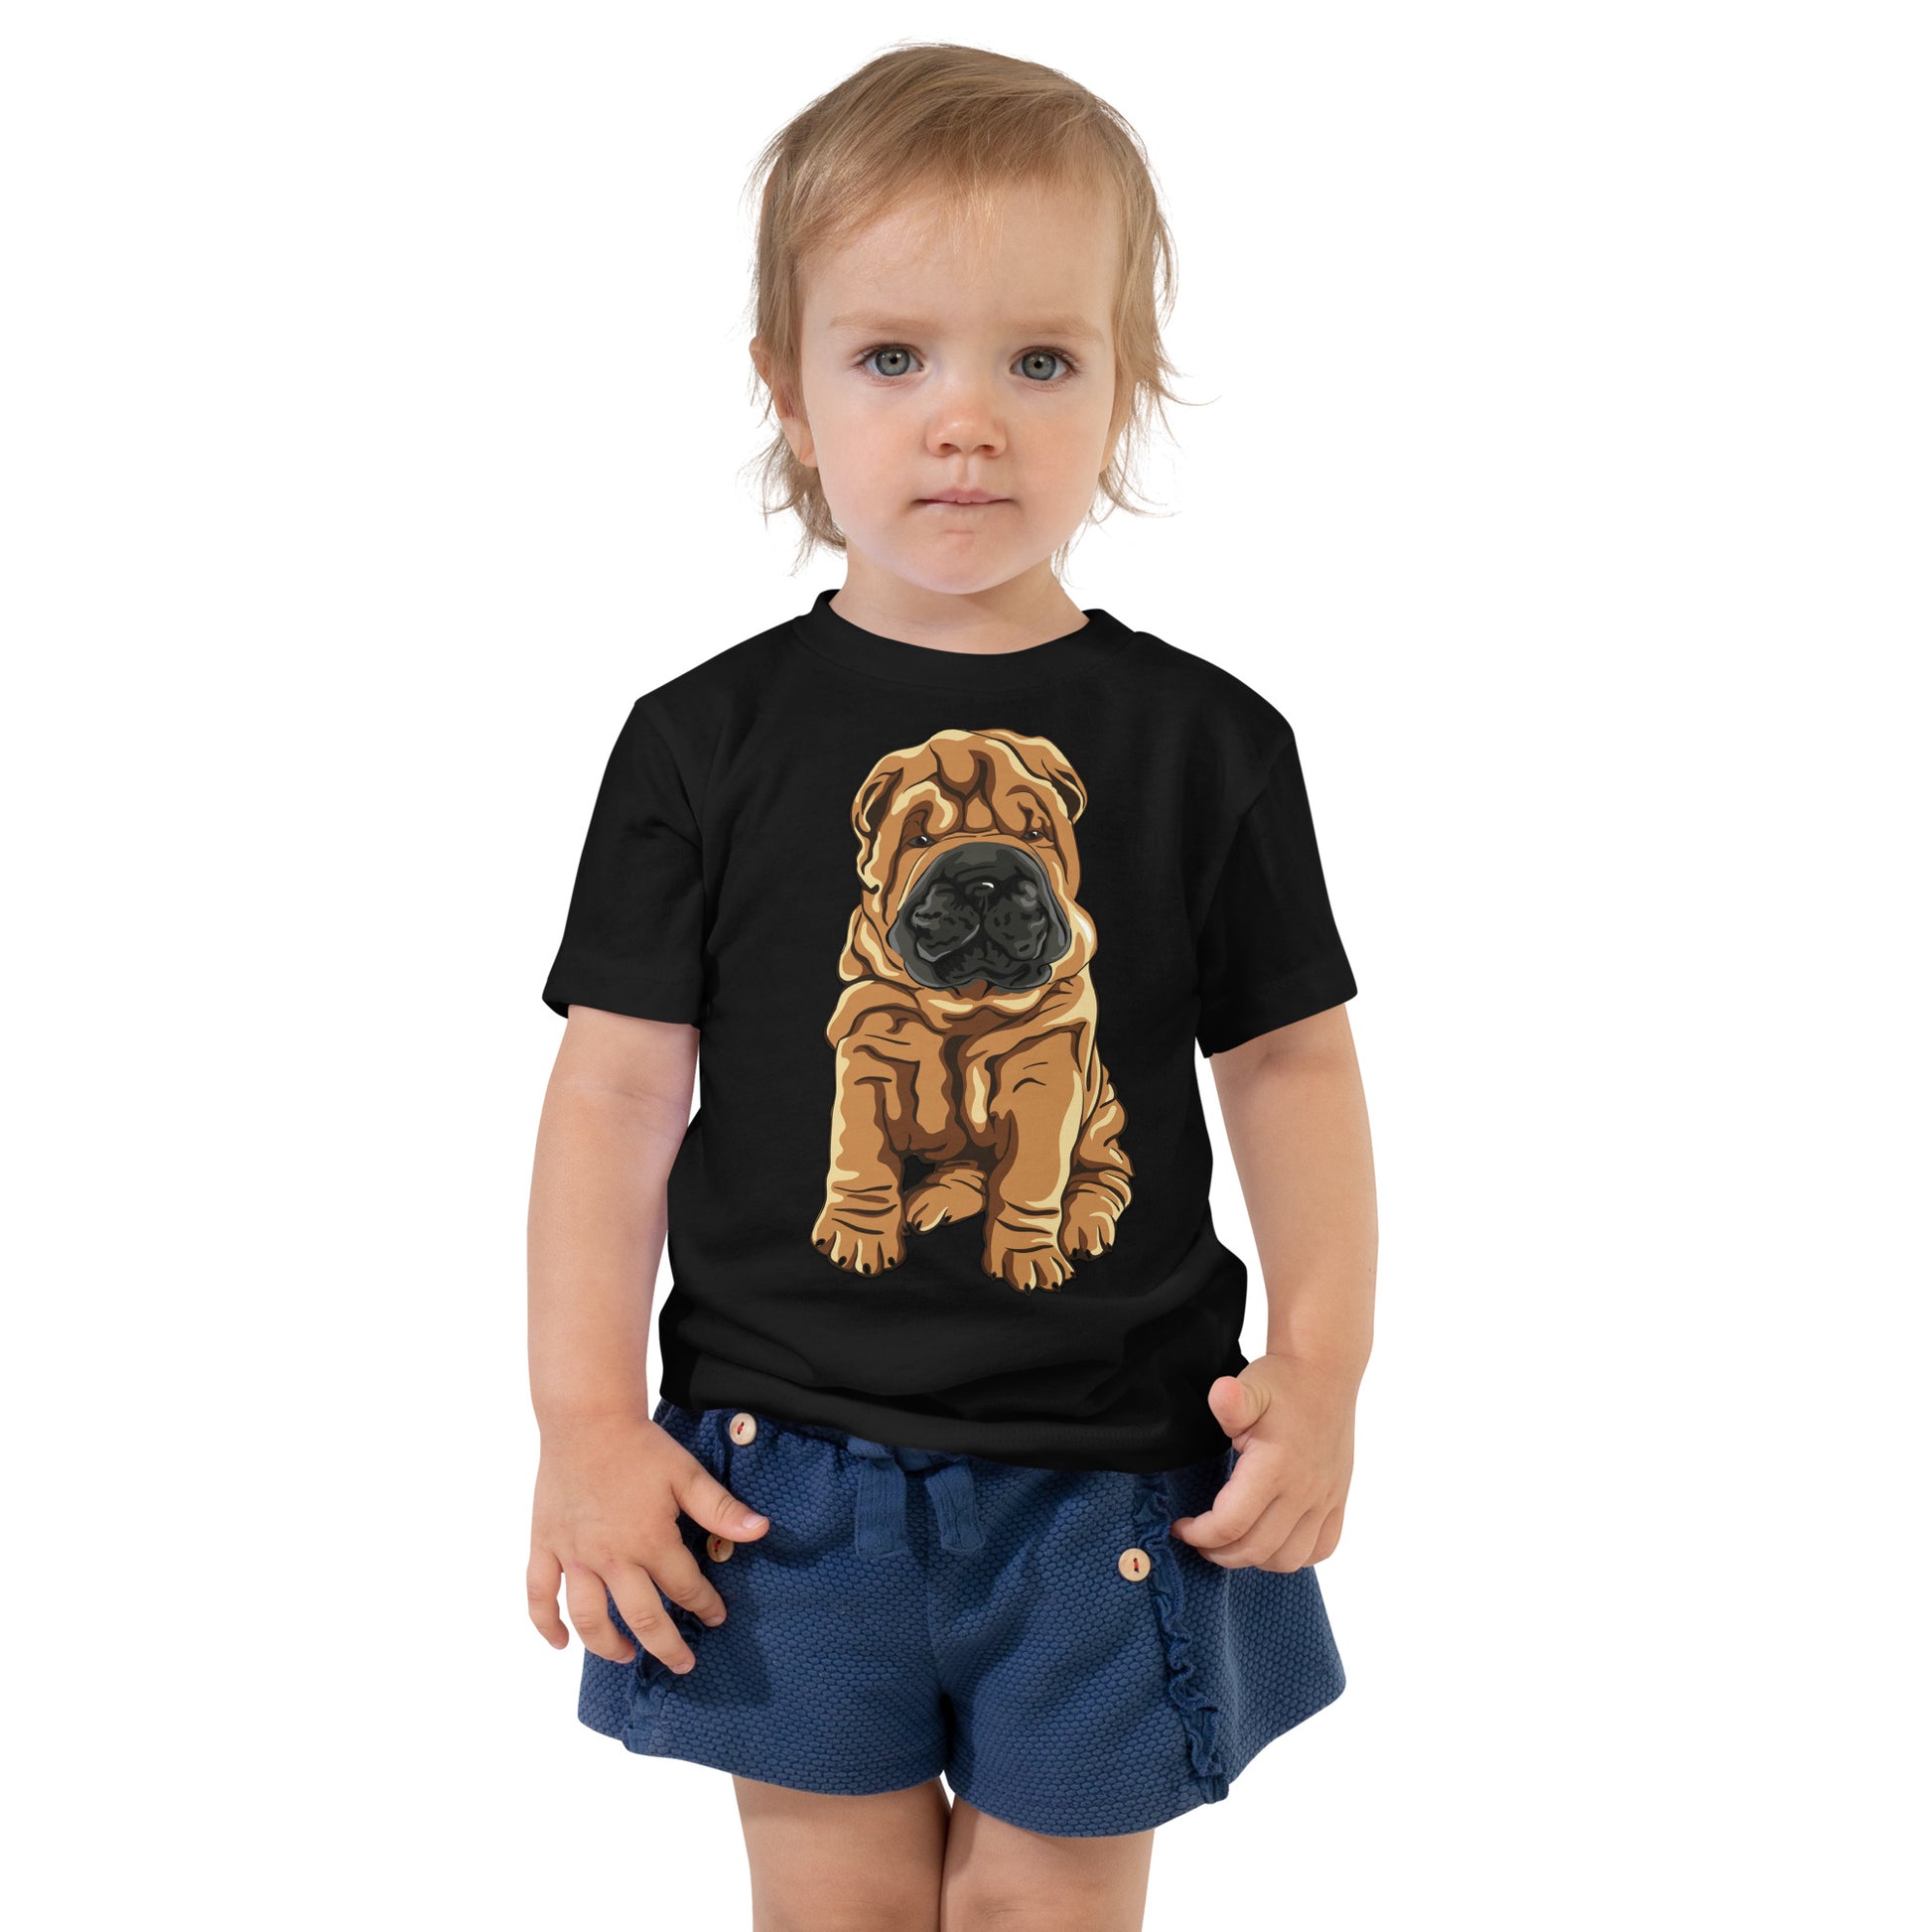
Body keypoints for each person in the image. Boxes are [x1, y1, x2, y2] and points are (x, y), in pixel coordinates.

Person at [526, 41, 1378, 1932]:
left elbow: (1292, 1068)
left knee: (1042, 1911)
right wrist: (583, 1419)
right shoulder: (699, 741)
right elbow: (613, 1091)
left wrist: (1320, 1368)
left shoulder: (1206, 745)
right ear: (789, 386)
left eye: (1040, 361)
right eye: (893, 356)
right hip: (779, 1464)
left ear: (1123, 385)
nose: (965, 422)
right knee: (827, 1903)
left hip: (1114, 1462)